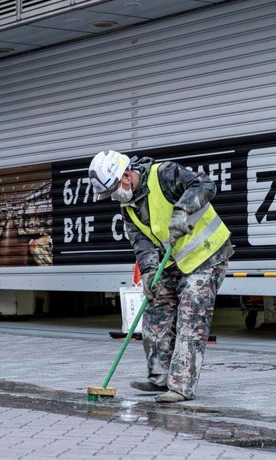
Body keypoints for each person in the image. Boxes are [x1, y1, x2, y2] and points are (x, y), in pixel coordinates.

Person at [88, 150, 233, 403]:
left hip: (208, 254)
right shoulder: (128, 207)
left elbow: (206, 184)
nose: (113, 196)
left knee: (190, 314)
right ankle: (159, 376)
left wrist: (183, 209)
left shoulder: (164, 174)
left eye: (113, 188)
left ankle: (181, 386)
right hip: (175, 259)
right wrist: (148, 273)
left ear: (125, 174)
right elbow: (141, 243)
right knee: (155, 308)